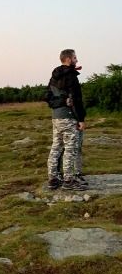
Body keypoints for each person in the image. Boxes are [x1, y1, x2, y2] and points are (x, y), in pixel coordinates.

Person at [47, 48, 88, 190]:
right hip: (69, 118)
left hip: (55, 118)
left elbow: (48, 98)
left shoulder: (53, 77)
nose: (77, 60)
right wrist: (81, 119)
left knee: (56, 147)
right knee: (70, 149)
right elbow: (77, 99)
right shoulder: (71, 76)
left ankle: (53, 179)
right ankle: (69, 181)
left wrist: (60, 103)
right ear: (69, 59)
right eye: (75, 57)